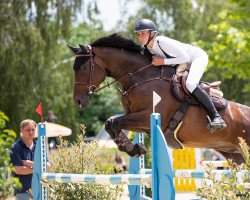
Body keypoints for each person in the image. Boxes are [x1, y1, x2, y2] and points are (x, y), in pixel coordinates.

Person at [134, 19, 227, 132]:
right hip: (181, 62)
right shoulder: (147, 48)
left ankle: (216, 117)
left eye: (143, 33)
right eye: (138, 34)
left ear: (152, 34)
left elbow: (186, 58)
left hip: (196, 57)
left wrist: (162, 62)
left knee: (190, 84)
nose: (140, 37)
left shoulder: (162, 42)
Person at [10, 119, 50, 200]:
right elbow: (18, 170)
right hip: (23, 191)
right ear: (21, 130)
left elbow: (48, 166)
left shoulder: (40, 146)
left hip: (40, 189)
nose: (31, 132)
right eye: (28, 130)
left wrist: (31, 164)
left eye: (33, 129)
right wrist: (39, 168)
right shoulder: (15, 147)